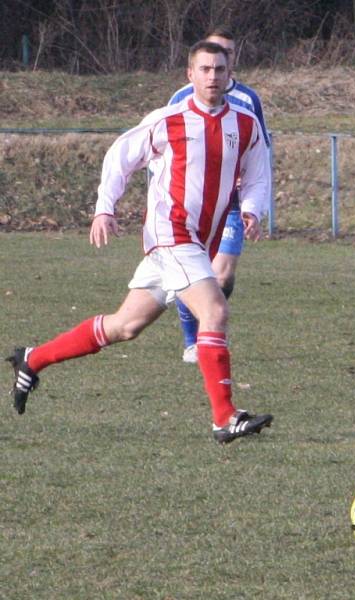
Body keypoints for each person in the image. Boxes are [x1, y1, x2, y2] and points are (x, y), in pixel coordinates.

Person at [6, 41, 273, 444]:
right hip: (172, 234)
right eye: (204, 69)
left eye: (219, 69)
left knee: (125, 326)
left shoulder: (246, 122)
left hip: (198, 241)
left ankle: (33, 359)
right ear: (190, 75)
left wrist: (252, 209)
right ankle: (224, 417)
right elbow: (120, 155)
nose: (213, 76)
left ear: (230, 70)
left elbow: (256, 172)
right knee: (214, 310)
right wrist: (104, 208)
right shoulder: (170, 119)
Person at [169, 29, 272, 364]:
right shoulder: (180, 98)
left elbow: (260, 151)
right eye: (210, 60)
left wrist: (255, 206)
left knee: (222, 274)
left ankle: (208, 326)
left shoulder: (248, 100)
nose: (216, 67)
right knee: (194, 273)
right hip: (191, 205)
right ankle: (192, 340)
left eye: (225, 55)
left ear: (231, 60)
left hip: (232, 202)